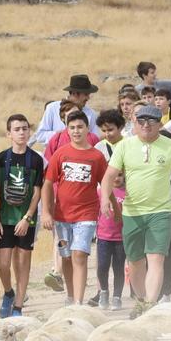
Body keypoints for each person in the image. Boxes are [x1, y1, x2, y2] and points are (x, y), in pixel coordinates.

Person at [101, 105, 171, 316]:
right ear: (134, 123)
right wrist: (104, 201)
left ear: (159, 124)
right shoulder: (124, 146)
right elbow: (109, 175)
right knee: (135, 262)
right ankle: (142, 300)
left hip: (160, 212)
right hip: (132, 213)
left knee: (156, 259)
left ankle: (150, 304)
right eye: (141, 121)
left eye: (151, 121)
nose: (146, 125)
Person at [44, 111, 109, 306]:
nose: (76, 131)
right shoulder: (61, 153)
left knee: (79, 254)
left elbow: (105, 183)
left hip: (86, 215)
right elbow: (48, 183)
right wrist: (47, 212)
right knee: (66, 257)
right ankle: (70, 297)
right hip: (62, 216)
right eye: (72, 127)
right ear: (67, 130)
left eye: (80, 127)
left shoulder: (96, 156)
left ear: (87, 128)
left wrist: (110, 204)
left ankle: (79, 303)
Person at [0, 114, 43, 318]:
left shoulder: (36, 159)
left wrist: (27, 218)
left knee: (23, 262)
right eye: (17, 129)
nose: (22, 132)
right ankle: (8, 292)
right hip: (4, 219)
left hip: (26, 220)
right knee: (3, 263)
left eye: (25, 128)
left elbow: (37, 191)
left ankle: (19, 307)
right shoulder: (1, 159)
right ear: (8, 134)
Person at [92, 110, 128, 310]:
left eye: (111, 130)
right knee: (102, 263)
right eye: (104, 130)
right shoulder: (98, 148)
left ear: (121, 127)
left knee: (120, 264)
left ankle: (119, 295)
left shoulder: (129, 144)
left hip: (125, 196)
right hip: (103, 197)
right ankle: (102, 291)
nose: (108, 134)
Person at [31, 74, 101, 146]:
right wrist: (61, 135)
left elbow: (96, 141)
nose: (88, 98)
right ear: (74, 93)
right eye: (86, 94)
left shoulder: (91, 114)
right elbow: (40, 135)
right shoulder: (52, 108)